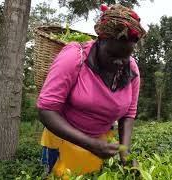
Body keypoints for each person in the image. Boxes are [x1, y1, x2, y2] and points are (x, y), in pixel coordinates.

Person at [37, 4, 146, 177]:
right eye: (113, 55)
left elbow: (129, 114)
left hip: (99, 144)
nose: (120, 62)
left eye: (126, 55)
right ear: (100, 40)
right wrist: (90, 144)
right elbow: (46, 109)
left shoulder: (132, 69)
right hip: (64, 143)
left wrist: (126, 152)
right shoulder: (74, 57)